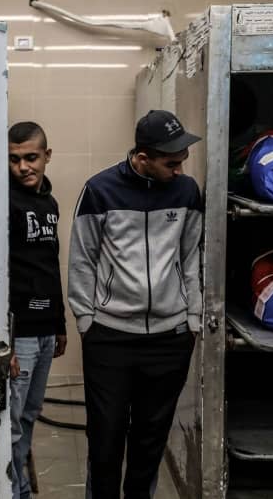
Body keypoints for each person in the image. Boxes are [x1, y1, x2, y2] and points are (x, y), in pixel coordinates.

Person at [68, 110, 202, 499]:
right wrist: (86, 320)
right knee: (105, 439)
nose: (180, 169)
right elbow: (82, 260)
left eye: (182, 161)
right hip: (110, 338)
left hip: (170, 339)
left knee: (150, 439)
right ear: (142, 158)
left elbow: (192, 257)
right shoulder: (100, 190)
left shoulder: (186, 191)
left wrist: (191, 317)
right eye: (171, 162)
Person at [7, 121, 67, 499]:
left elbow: (50, 263)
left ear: (47, 156)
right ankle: (17, 493)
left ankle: (21, 488)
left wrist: (60, 323)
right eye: (14, 160)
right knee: (11, 424)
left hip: (46, 329)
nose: (23, 167)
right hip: (20, 333)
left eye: (31, 157)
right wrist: (5, 341)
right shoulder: (4, 202)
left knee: (29, 415)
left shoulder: (50, 202)